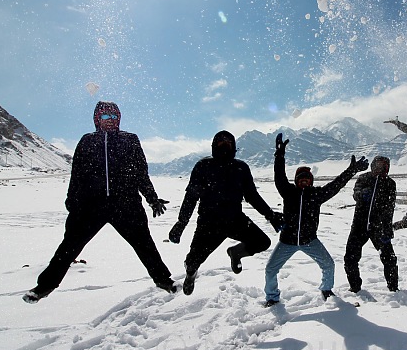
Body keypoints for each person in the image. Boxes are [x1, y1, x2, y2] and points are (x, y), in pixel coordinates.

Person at [23, 101, 176, 303]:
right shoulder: (87, 141)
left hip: (126, 203)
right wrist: (72, 201)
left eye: (114, 117)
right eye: (105, 117)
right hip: (90, 205)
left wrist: (152, 198)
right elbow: (76, 174)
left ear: (119, 119)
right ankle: (45, 286)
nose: (110, 121)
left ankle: (163, 280)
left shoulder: (130, 140)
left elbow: (141, 173)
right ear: (97, 120)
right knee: (69, 246)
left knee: (144, 244)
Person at [168, 130, 283, 296]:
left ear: (234, 147)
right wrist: (181, 223)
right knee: (192, 261)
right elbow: (191, 197)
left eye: (228, 144)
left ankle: (235, 252)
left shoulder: (241, 168)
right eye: (220, 143)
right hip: (209, 224)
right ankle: (191, 273)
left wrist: (270, 215)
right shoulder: (203, 166)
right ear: (214, 146)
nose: (224, 146)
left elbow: (252, 196)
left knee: (262, 242)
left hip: (235, 220)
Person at [264, 133, 369, 307]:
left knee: (328, 265)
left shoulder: (317, 195)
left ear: (311, 181)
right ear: (296, 181)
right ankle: (272, 297)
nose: (304, 182)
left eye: (307, 179)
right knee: (270, 269)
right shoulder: (288, 192)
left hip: (309, 241)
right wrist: (279, 155)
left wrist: (351, 170)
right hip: (287, 242)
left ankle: (326, 290)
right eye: (301, 179)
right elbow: (279, 176)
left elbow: (336, 185)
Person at [343, 156, 399, 293]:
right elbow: (355, 194)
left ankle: (393, 288)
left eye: (384, 166)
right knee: (350, 257)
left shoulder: (390, 183)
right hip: (359, 226)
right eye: (378, 165)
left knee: (389, 258)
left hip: (379, 227)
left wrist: (388, 228)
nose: (380, 169)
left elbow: (390, 208)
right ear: (373, 165)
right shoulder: (363, 178)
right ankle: (355, 287)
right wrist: (362, 194)